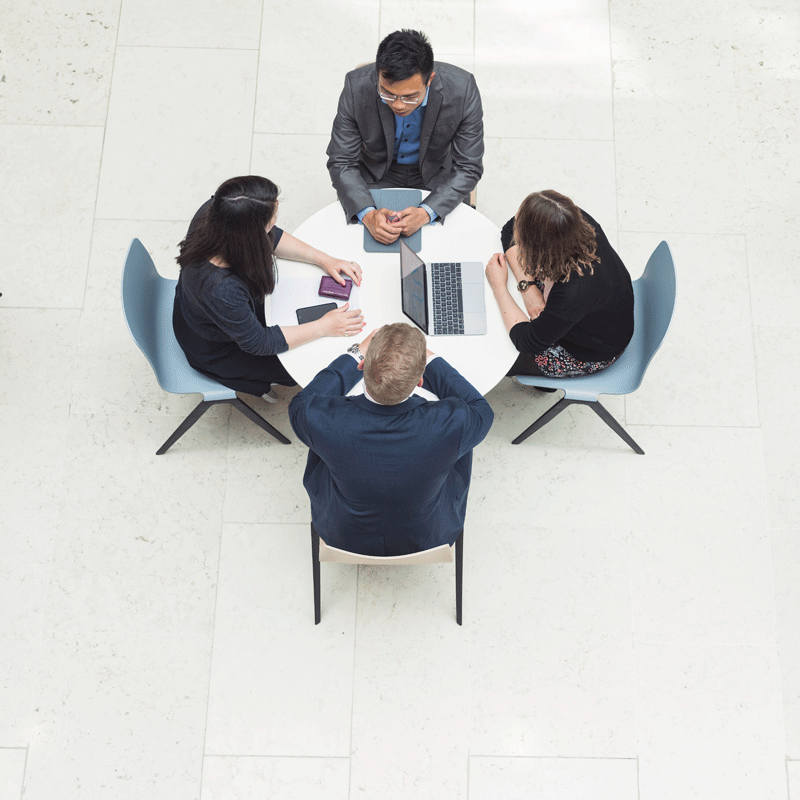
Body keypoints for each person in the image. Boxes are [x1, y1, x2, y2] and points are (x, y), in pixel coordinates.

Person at [288, 323, 493, 556]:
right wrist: (426, 360)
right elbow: (482, 410)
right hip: (430, 537)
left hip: (342, 533)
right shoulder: (452, 423)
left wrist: (357, 351)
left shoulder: (321, 419)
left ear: (362, 366)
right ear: (420, 382)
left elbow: (300, 403)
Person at [173, 175, 365, 399]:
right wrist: (324, 326)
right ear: (250, 236)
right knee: (312, 364)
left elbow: (270, 238)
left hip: (214, 314)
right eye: (271, 220)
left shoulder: (216, 212)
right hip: (220, 348)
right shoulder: (222, 290)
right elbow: (258, 342)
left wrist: (323, 259)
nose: (275, 221)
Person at [326, 28, 484, 245]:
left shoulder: (463, 89)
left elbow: (468, 167)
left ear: (430, 80)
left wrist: (427, 212)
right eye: (388, 93)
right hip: (376, 174)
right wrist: (368, 214)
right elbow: (341, 161)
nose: (398, 105)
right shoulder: (356, 87)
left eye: (410, 97)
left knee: (446, 247)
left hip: (437, 176)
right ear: (377, 75)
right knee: (357, 246)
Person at [484, 190, 634, 379]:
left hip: (592, 349)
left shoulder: (574, 289)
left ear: (541, 251)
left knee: (495, 356)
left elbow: (528, 342)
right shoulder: (570, 221)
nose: (519, 242)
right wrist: (528, 288)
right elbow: (509, 230)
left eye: (523, 243)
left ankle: (540, 381)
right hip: (596, 310)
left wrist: (499, 287)